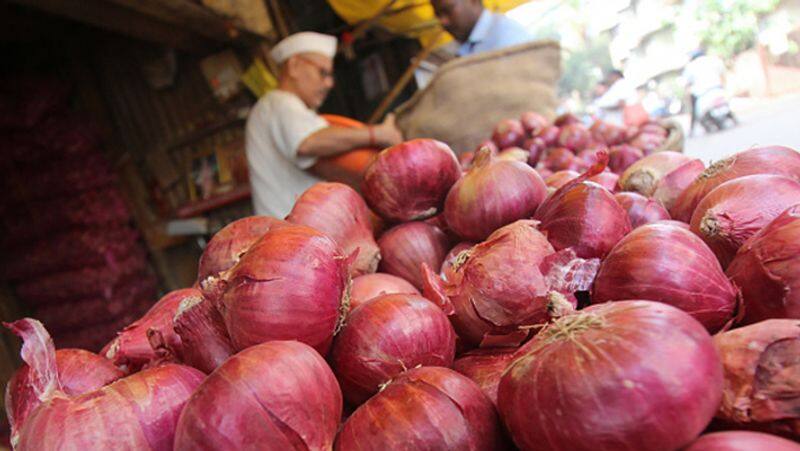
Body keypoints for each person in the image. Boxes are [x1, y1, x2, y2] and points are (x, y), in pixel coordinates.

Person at [245, 32, 403, 218]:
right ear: (294, 66)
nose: (329, 83)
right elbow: (309, 143)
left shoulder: (280, 108)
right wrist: (378, 134)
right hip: (290, 231)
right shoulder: (280, 103)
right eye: (323, 72)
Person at [431, 0, 533, 57]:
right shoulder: (470, 44)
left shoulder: (507, 39)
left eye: (448, 10)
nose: (443, 21)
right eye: (438, 15)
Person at [682, 49, 729, 135]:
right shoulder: (714, 60)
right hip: (718, 89)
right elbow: (723, 74)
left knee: (698, 113)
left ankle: (705, 127)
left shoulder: (690, 66)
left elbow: (686, 84)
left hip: (703, 94)